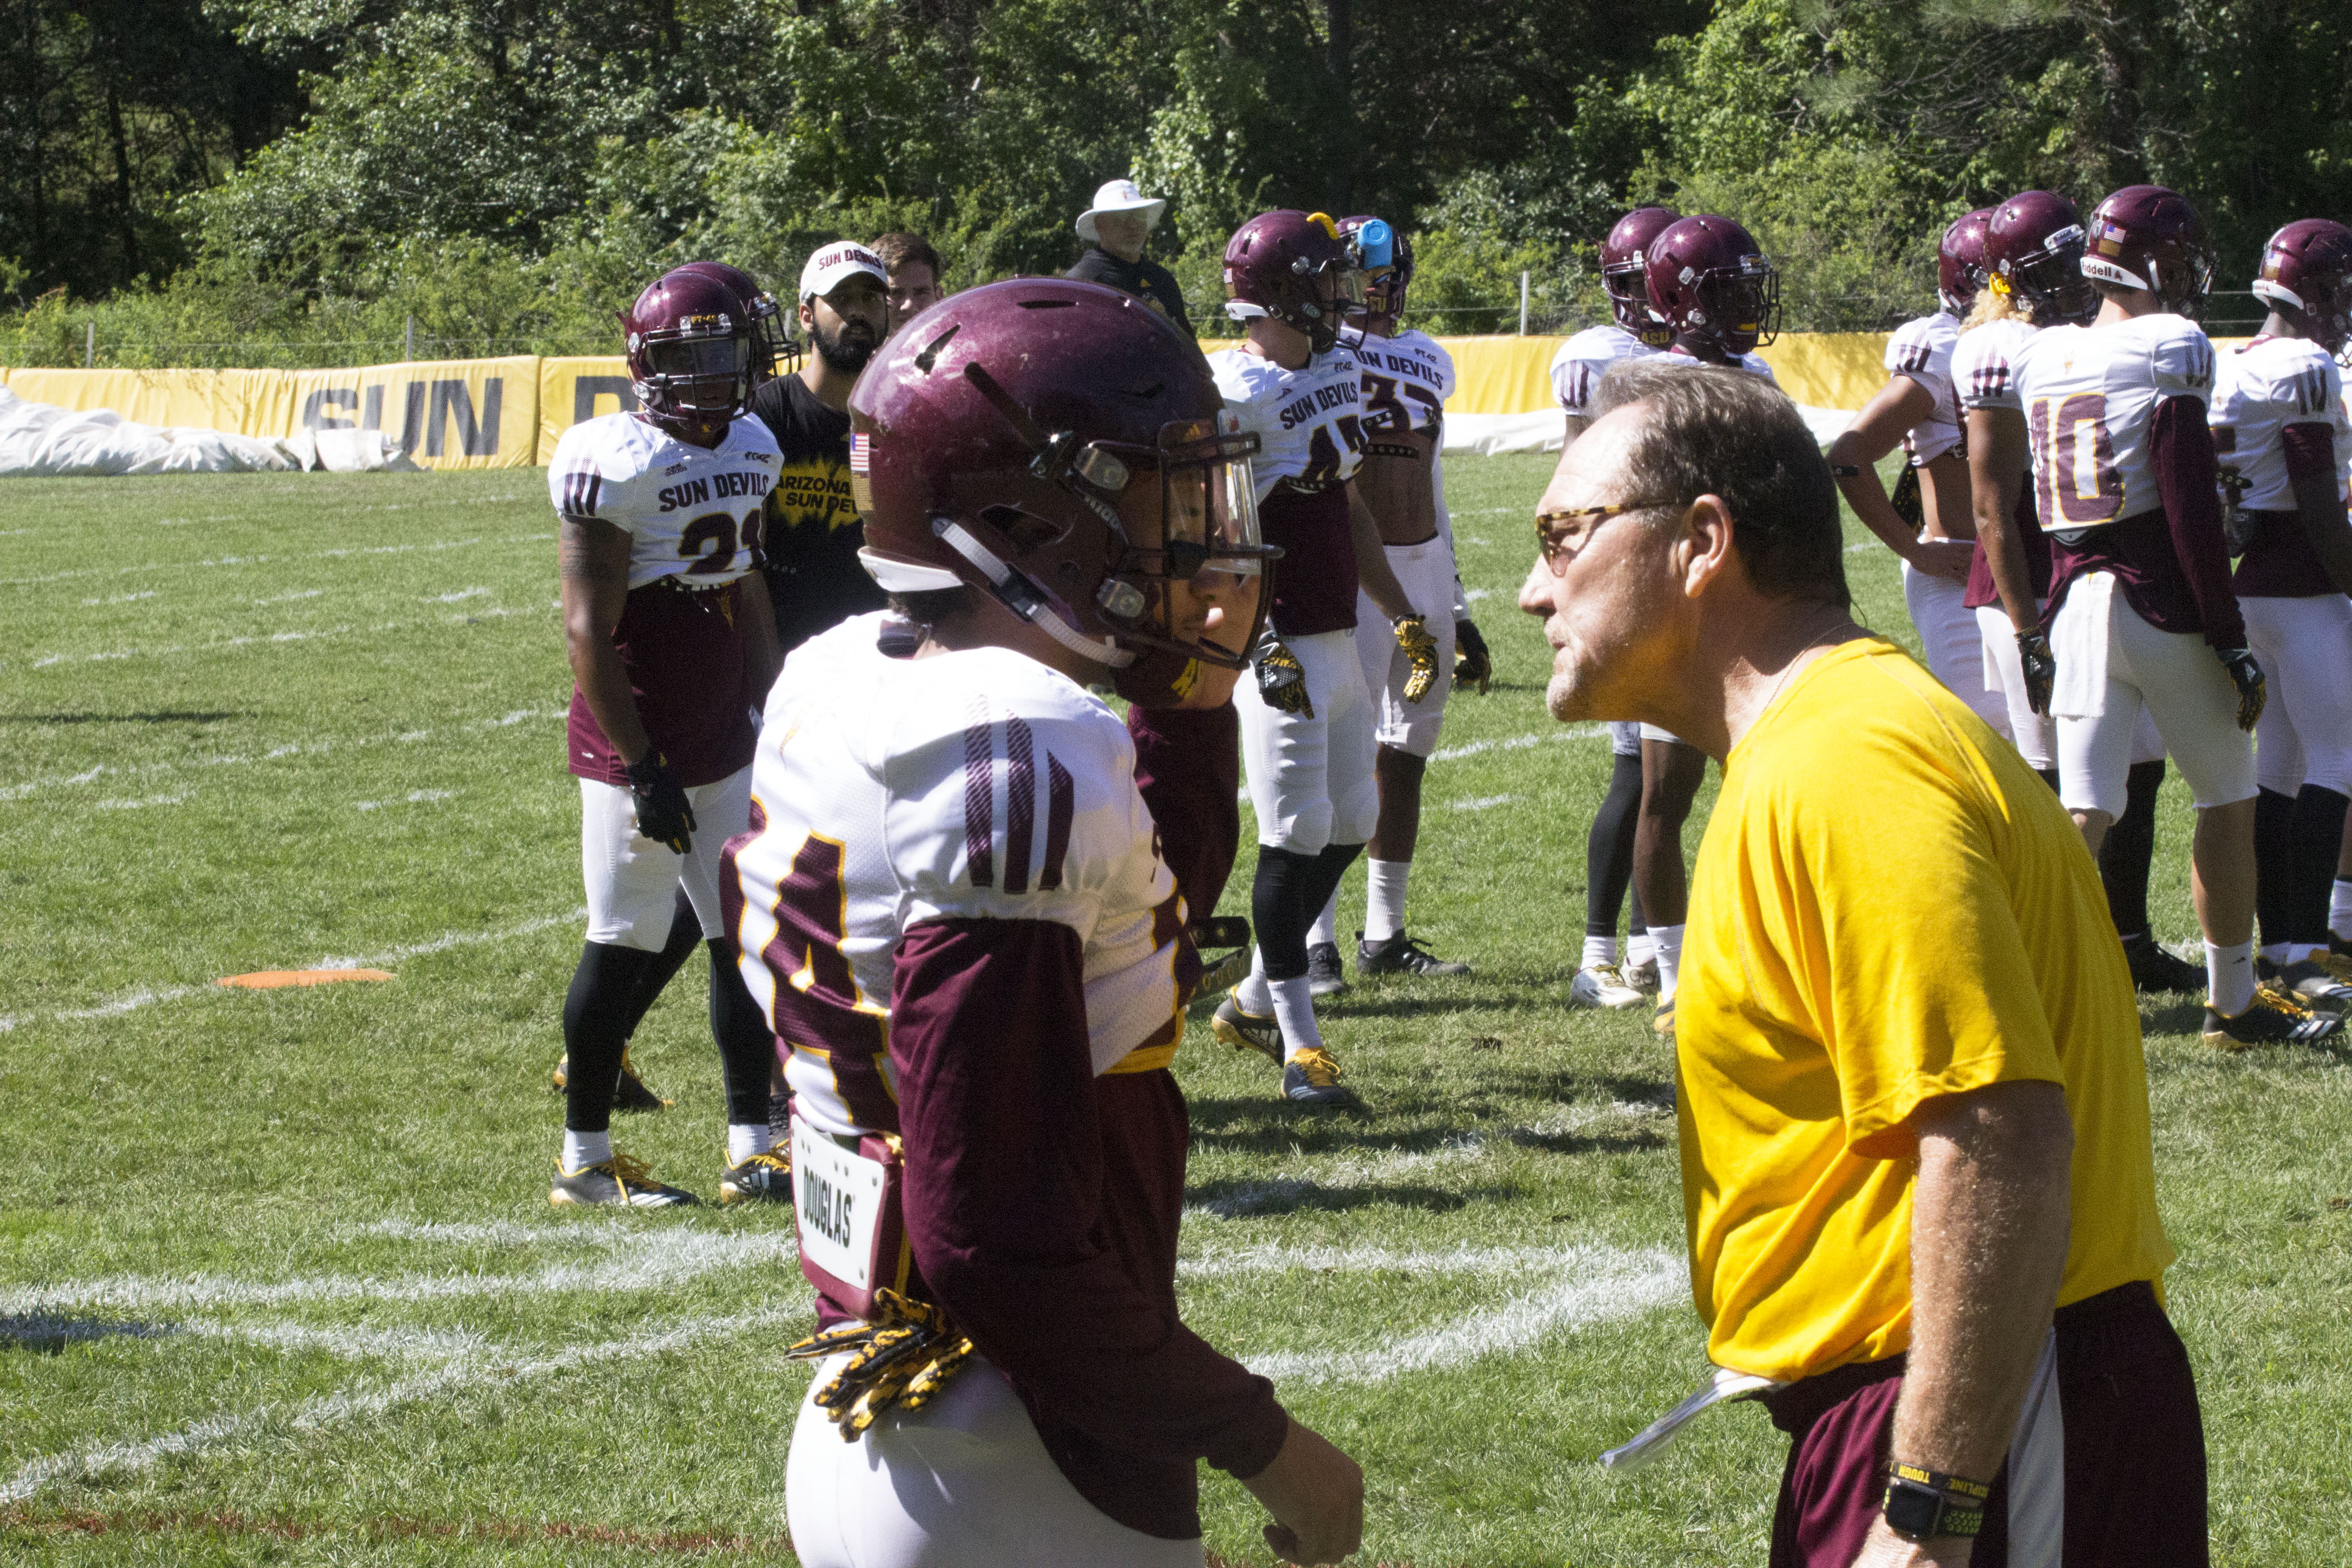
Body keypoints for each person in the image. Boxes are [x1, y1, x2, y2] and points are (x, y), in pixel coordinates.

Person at [725, 276, 1364, 1568]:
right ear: (1030, 515)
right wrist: (1267, 1444)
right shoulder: (1021, 750)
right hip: (1016, 1441)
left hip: (887, 1392)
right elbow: (995, 1237)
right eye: (1160, 495)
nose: (1201, 533)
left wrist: (1177, 696)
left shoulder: (841, 672)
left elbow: (1150, 929)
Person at [1530, 356, 2209, 1566]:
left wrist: (1933, 1504)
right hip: (1961, 1407)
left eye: (1565, 536)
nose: (1538, 590)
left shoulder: (1844, 759)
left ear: (1701, 540)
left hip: (1989, 1420)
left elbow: (1998, 1129)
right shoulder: (1819, 742)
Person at [1968, 183, 2339, 1047]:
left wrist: (2034, 628)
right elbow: (2185, 503)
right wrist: (2224, 634)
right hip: (2159, 601)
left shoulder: (2039, 352)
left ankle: (2023, 988)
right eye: (2175, 258)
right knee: (2227, 798)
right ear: (2148, 261)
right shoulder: (2167, 343)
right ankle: (2233, 1000)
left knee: (2082, 810)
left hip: (2071, 604)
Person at [541, 264, 791, 1207]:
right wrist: (641, 763)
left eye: (737, 349)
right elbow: (585, 629)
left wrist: (776, 701)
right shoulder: (614, 458)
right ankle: (586, 1161)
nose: (731, 371)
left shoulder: (756, 443)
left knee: (740, 935)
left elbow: (747, 583)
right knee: (625, 940)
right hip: (637, 738)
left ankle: (752, 1143)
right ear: (654, 363)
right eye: (707, 353)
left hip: (724, 729)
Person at [1203, 209, 1440, 1106]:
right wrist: (1257, 641)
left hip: (1339, 632)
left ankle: (1257, 996)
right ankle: (1301, 1049)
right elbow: (1216, 536)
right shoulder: (1232, 391)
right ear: (1282, 293)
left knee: (1348, 823)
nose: (1344, 296)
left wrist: (1402, 612)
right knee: (1294, 831)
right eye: (1327, 282)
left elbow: (1348, 510)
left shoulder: (1339, 368)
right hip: (1280, 643)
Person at [1953, 193, 2204, 997]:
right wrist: (2028, 626)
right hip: (2025, 583)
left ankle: (2122, 941)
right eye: (2050, 265)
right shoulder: (1999, 348)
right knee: (2052, 783)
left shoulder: (2091, 340)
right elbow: (1990, 504)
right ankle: (2029, 961)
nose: (2071, 277)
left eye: (2076, 257)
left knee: (2130, 767)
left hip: (2085, 580)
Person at [1610, 210, 1787, 1037]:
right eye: (1728, 289)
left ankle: (1761, 958)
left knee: (1767, 788)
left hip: (1750, 604)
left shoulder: (1756, 375)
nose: (1747, 303)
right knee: (1666, 792)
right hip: (1676, 607)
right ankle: (1676, 973)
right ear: (1679, 297)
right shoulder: (1644, 384)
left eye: (1749, 286)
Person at [1297, 215, 1478, 992]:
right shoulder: (1316, 354)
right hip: (1352, 569)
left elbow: (1433, 478)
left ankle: (1385, 931)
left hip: (1424, 563)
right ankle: (1314, 939)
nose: (1367, 288)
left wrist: (1458, 601)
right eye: (1351, 273)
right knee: (1338, 750)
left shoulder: (1430, 358)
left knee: (1406, 751)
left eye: (1375, 272)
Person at [2210, 218, 2352, 1005]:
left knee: (2281, 768)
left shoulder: (2241, 360)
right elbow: (2316, 505)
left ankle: (2285, 949)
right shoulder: (2301, 363)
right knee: (2336, 760)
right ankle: (2298, 945)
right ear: (2314, 286)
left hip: (2252, 582)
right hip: (2301, 581)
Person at [1545, 206, 1678, 1010]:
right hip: (1624, 568)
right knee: (1637, 772)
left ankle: (1639, 948)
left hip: (1677, 568)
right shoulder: (1597, 354)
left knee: (1667, 773)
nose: (1646, 298)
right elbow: (1574, 471)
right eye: (1632, 282)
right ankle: (1595, 954)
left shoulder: (1692, 353)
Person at [1827, 210, 2001, 730]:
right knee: (1991, 732)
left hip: (2028, 565)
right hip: (1961, 572)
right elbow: (1848, 456)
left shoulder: (2035, 342)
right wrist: (1914, 551)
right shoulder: (1945, 348)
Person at [751, 240, 894, 654]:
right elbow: (746, 569)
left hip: (875, 646)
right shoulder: (766, 415)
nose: (858, 311)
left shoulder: (900, 416)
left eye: (871, 297)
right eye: (841, 298)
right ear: (806, 316)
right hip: (786, 649)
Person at [1066, 178, 1193, 332]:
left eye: (1138, 215)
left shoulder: (1163, 280)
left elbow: (1187, 349)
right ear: (1100, 225)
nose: (1132, 225)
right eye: (1121, 217)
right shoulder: (1081, 283)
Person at [871, 231, 943, 338]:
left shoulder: (962, 350)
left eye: (921, 292)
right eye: (895, 293)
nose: (909, 305)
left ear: (939, 297)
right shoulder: (863, 354)